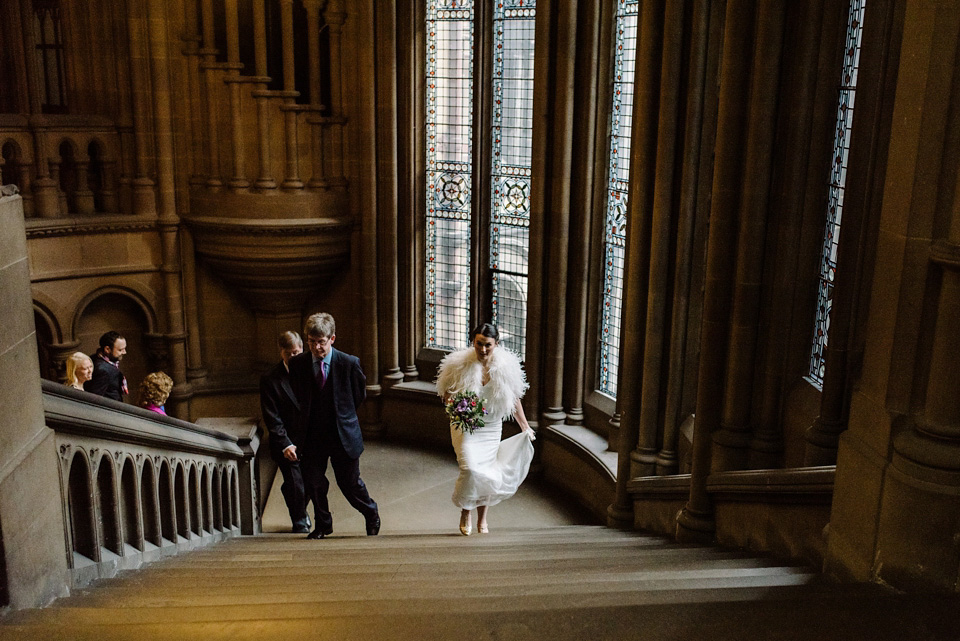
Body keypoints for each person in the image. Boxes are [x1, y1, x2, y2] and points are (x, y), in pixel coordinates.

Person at [435, 322, 535, 535]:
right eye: (479, 344)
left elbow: (514, 399)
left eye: (487, 345)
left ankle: (482, 520)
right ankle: (466, 509)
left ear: (496, 344)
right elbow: (445, 393)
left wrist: (524, 426)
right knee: (470, 468)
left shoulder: (507, 367)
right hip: (467, 425)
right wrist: (454, 403)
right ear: (473, 342)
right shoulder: (459, 364)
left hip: (490, 426)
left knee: (487, 472)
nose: (482, 349)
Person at [288, 313, 380, 539]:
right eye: (311, 341)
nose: (316, 347)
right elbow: (298, 396)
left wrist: (342, 415)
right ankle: (323, 524)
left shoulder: (349, 363)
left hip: (342, 435)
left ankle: (371, 512)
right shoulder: (298, 364)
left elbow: (358, 395)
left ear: (332, 339)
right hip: (312, 435)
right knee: (314, 483)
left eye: (321, 341)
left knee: (349, 484)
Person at [260, 331, 312, 534]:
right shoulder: (270, 379)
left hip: (309, 439)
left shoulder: (312, 371)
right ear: (281, 352)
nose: (294, 357)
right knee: (295, 482)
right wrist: (285, 443)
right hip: (285, 441)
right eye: (289, 354)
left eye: (297, 352)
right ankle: (299, 519)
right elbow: (272, 416)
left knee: (309, 481)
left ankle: (290, 494)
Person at [84, 331, 128, 401]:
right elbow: (95, 398)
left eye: (124, 349)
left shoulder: (96, 358)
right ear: (107, 349)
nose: (124, 352)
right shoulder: (102, 371)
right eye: (120, 350)